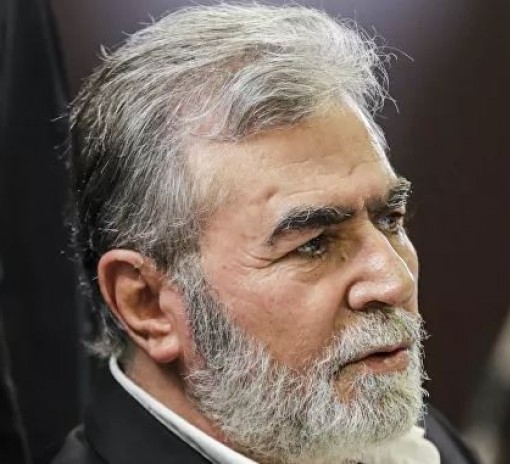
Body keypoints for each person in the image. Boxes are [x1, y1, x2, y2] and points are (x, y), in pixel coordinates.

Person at [52, 4, 479, 464]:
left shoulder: (416, 439)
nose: (394, 282)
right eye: (313, 244)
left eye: (388, 219)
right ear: (148, 304)